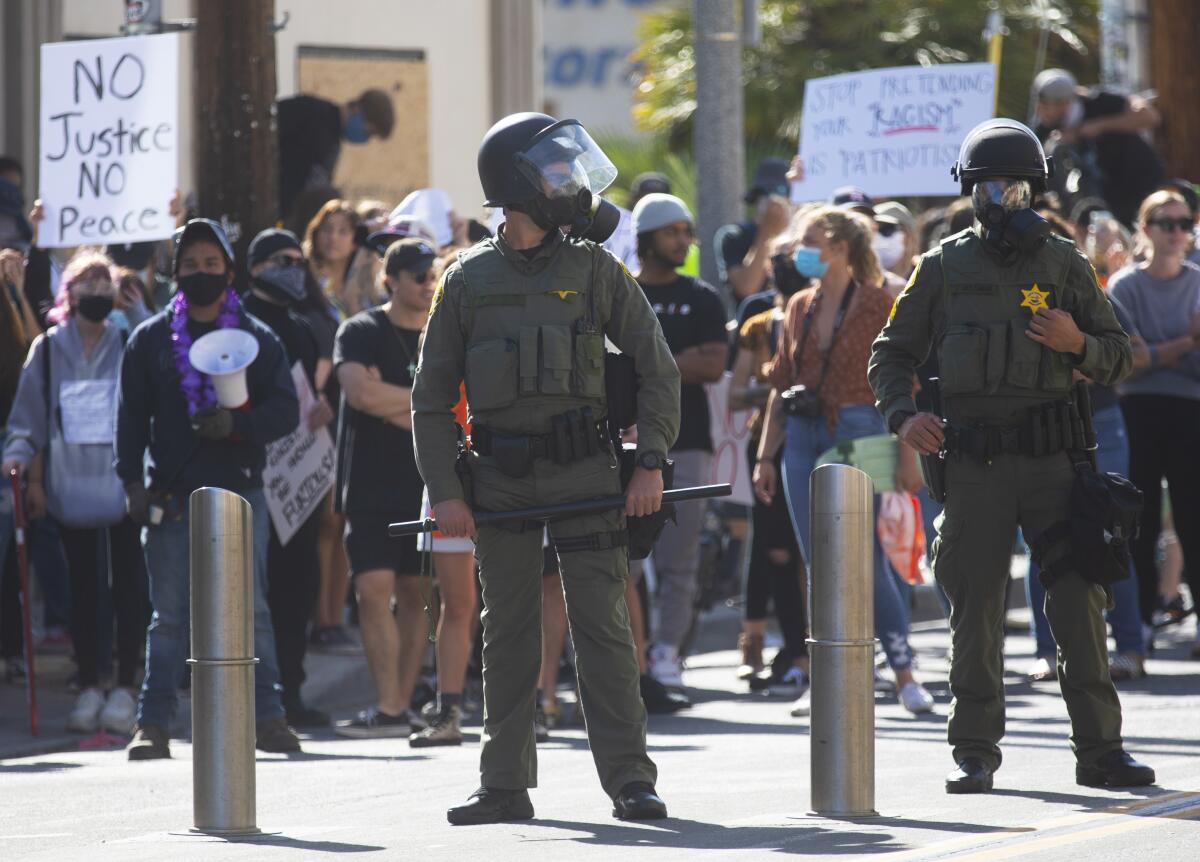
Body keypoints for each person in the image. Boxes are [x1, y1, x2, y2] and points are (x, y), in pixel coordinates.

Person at [869, 118, 1155, 793]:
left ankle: (1102, 751)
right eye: (992, 187)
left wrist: (1075, 343)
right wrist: (904, 417)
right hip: (973, 466)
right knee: (975, 607)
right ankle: (973, 749)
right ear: (972, 191)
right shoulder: (942, 267)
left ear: (1035, 190)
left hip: (1055, 464)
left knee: (1080, 603)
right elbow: (891, 353)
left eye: (1018, 187)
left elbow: (1121, 355)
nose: (1005, 199)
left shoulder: (1063, 263)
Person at [412, 112, 680, 825]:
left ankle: (630, 780)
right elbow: (430, 400)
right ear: (517, 186)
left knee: (604, 633)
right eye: (556, 171)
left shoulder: (596, 269)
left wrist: (650, 464)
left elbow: (657, 369)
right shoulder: (465, 281)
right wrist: (444, 492)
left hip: (588, 477)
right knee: (507, 634)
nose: (571, 182)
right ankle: (503, 783)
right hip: (497, 481)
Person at [116, 219, 302, 759]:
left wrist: (237, 426)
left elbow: (285, 411)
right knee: (169, 616)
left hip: (243, 494)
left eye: (211, 264)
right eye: (191, 265)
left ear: (229, 271)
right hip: (171, 497)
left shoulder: (257, 337)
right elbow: (129, 418)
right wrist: (131, 482)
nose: (201, 274)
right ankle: (152, 726)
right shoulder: (149, 338)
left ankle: (268, 719)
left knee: (254, 610)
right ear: (176, 274)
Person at [753, 205, 933, 718]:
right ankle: (825, 675)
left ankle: (903, 672)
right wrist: (766, 455)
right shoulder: (798, 306)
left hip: (862, 426)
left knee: (866, 557)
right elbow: (778, 388)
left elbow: (903, 385)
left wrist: (906, 453)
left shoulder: (882, 302)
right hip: (803, 430)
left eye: (809, 239)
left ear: (837, 245)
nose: (800, 249)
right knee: (817, 560)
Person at [2, 250, 145, 735]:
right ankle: (88, 682)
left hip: (126, 486)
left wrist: (140, 308)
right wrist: (24, 465)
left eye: (106, 285)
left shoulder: (130, 339)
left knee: (130, 588)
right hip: (70, 488)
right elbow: (28, 419)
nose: (98, 294)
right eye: (88, 284)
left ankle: (127, 684)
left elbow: (157, 389)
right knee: (84, 592)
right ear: (70, 293)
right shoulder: (47, 349)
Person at [332, 238, 439, 739]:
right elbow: (359, 393)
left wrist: (395, 400)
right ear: (390, 280)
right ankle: (390, 704)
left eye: (431, 274)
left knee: (417, 592)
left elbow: (456, 406)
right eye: (417, 275)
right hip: (371, 483)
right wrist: (424, 406)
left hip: (425, 484)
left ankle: (400, 704)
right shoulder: (361, 331)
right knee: (373, 590)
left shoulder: (442, 333)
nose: (427, 283)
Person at [628, 193, 729, 697]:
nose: (684, 240)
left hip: (687, 445)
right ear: (647, 238)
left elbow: (713, 364)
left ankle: (668, 651)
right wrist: (675, 358)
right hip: (621, 445)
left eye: (687, 231)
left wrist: (647, 360)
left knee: (679, 556)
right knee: (622, 561)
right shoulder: (622, 292)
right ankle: (630, 655)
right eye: (674, 231)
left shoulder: (702, 297)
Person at [242, 228, 334, 727]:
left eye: (299, 260)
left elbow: (307, 394)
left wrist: (320, 410)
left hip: (293, 478)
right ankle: (250, 693)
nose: (293, 268)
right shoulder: (237, 321)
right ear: (255, 267)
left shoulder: (299, 327)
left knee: (296, 585)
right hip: (250, 472)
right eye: (281, 259)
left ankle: (289, 692)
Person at [1107, 190, 1200, 655]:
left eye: (1185, 222)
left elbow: (1148, 355)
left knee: (1193, 518)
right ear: (1144, 229)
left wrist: (1158, 354)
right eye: (1166, 223)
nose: (1178, 232)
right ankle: (1138, 621)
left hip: (1190, 410)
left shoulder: (1199, 282)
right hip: (1137, 410)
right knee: (1136, 518)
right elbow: (1129, 361)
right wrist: (1186, 343)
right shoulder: (1123, 287)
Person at [729, 233, 810, 695]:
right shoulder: (759, 325)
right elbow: (737, 391)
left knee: (818, 551)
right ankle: (796, 649)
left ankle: (826, 648)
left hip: (816, 438)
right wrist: (777, 390)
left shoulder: (823, 315)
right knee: (778, 552)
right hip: (768, 442)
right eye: (778, 260)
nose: (785, 267)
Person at [1032, 69, 1164, 227]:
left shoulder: (1099, 101)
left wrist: (1099, 126)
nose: (1039, 111)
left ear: (1065, 103)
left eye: (1046, 105)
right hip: (1107, 199)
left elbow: (1150, 117)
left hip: (1140, 181)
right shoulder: (1045, 129)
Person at [277, 89, 395, 222]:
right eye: (368, 132)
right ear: (356, 108)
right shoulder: (310, 110)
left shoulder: (334, 143)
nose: (365, 138)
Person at [716, 158, 793, 302]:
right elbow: (747, 288)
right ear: (757, 198)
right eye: (769, 193)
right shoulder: (733, 236)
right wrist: (766, 233)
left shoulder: (802, 238)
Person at [304, 199, 384, 320]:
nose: (333, 237)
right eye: (327, 229)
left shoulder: (369, 288)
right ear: (316, 234)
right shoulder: (305, 279)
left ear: (356, 240)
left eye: (343, 231)